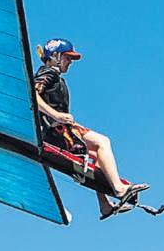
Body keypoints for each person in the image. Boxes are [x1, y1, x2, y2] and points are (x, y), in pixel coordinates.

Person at [31, 39, 147, 213]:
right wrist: (56, 115)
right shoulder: (48, 73)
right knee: (102, 142)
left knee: (96, 153)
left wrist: (66, 121)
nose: (70, 62)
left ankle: (104, 204)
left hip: (61, 131)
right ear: (55, 56)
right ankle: (119, 189)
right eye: (67, 58)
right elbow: (32, 94)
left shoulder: (54, 77)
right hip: (54, 134)